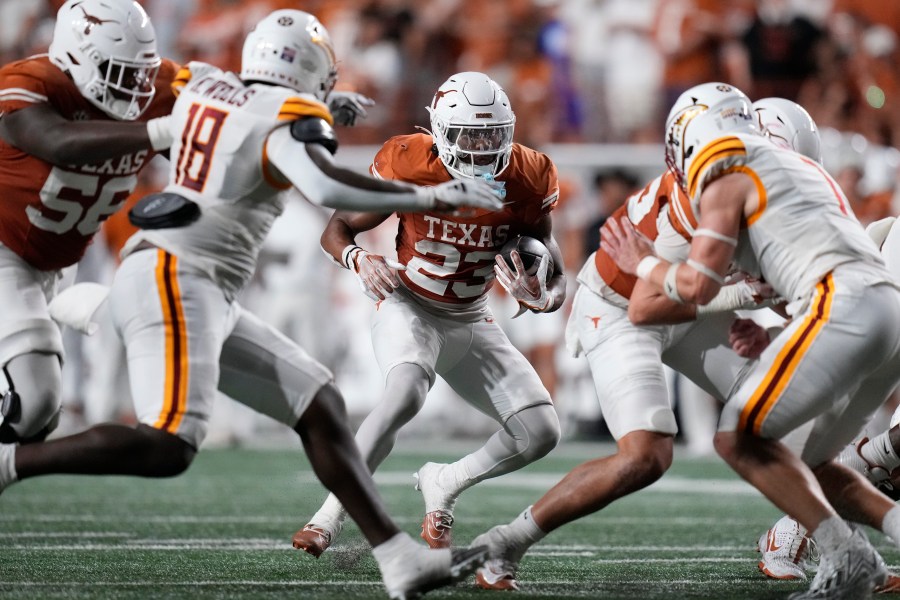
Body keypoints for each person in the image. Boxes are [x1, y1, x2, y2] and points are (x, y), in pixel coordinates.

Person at [0, 10, 503, 599]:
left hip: (190, 279)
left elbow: (250, 122)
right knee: (168, 445)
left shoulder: (217, 86)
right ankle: (10, 463)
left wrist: (317, 119)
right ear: (313, 72)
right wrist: (431, 194)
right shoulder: (279, 114)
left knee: (318, 402)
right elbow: (326, 189)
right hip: (178, 274)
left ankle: (399, 559)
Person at [466, 94, 797, 592]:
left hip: (684, 302)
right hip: (622, 310)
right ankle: (506, 540)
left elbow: (780, 289)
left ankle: (802, 538)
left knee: (791, 404)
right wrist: (742, 293)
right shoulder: (687, 208)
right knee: (646, 456)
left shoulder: (754, 193)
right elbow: (648, 307)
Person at [601, 82, 900, 599]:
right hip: (886, 313)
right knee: (811, 462)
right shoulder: (806, 171)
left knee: (735, 436)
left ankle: (851, 557)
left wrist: (641, 261)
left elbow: (696, 286)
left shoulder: (727, 172)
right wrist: (775, 332)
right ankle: (856, 549)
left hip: (844, 305)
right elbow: (804, 273)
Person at [292, 71, 566, 559]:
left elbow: (553, 265)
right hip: (410, 303)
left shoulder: (528, 175)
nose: (482, 147)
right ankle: (329, 514)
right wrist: (359, 258)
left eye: (492, 133)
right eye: (469, 134)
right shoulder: (408, 160)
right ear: (438, 130)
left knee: (543, 431)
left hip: (472, 316)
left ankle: (445, 481)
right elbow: (336, 229)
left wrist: (541, 294)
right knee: (405, 395)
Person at [0, 0, 180, 444]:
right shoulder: (31, 82)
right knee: (35, 400)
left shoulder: (158, 86)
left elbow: (217, 139)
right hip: (5, 247)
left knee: (39, 418)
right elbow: (57, 142)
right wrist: (160, 132)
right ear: (75, 58)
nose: (136, 87)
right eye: (121, 73)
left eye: (141, 72)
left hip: (58, 260)